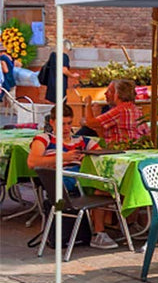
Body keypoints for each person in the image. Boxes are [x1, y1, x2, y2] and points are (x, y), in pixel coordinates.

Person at [27, 105, 117, 250]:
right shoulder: (44, 139)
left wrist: (86, 158)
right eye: (62, 124)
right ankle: (99, 232)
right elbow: (32, 162)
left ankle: (99, 232)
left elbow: (103, 156)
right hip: (61, 181)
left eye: (69, 123)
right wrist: (63, 157)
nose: (66, 128)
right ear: (52, 122)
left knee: (106, 188)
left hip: (81, 178)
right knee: (103, 188)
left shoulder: (82, 141)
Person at [81, 79, 147, 147]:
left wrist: (88, 104)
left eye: (110, 91)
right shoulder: (136, 109)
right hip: (134, 148)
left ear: (117, 94)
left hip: (119, 149)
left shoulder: (119, 110)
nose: (105, 93)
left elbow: (90, 123)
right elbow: (146, 132)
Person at [38, 41, 80, 106]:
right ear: (66, 48)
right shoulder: (64, 56)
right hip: (60, 84)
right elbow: (63, 70)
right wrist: (72, 75)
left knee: (51, 104)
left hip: (51, 83)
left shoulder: (53, 55)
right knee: (60, 104)